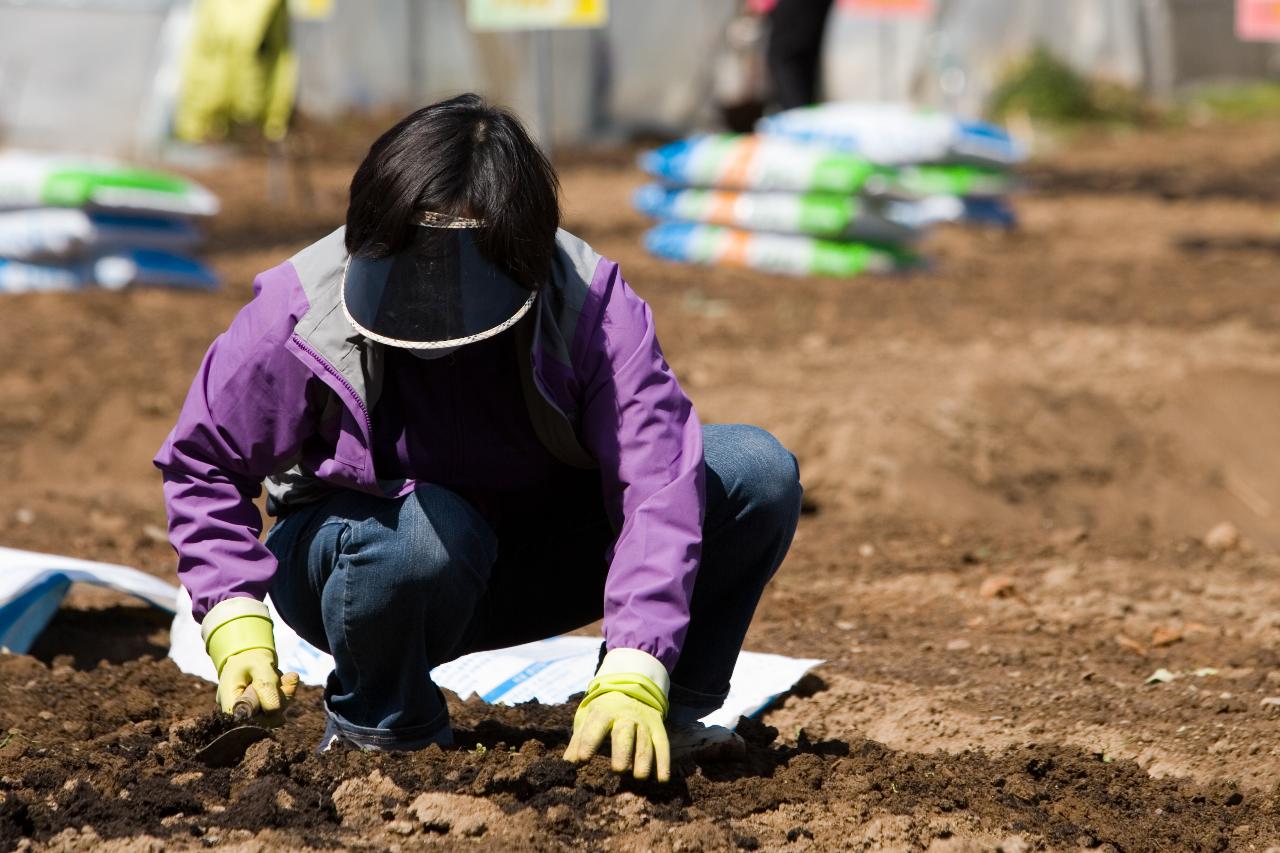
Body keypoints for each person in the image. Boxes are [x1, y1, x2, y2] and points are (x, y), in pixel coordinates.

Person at [155, 94, 802, 782]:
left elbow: (657, 484)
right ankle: (384, 726)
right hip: (366, 565)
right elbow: (203, 460)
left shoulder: (588, 306)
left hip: (536, 554)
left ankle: (662, 718)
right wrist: (232, 612)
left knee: (753, 471)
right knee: (414, 535)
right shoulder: (300, 308)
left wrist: (638, 663)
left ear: (526, 260)